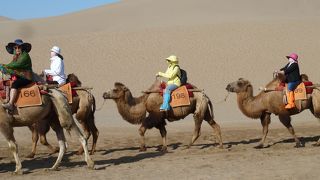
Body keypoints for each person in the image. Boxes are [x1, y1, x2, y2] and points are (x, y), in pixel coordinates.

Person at [2, 39, 33, 110]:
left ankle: (10, 104)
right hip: (19, 76)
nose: (17, 49)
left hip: (26, 78)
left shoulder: (25, 56)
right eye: (15, 48)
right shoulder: (16, 56)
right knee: (7, 82)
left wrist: (4, 66)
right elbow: (12, 64)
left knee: (15, 84)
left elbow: (15, 65)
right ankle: (7, 99)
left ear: (22, 48)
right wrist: (4, 66)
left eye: (19, 47)